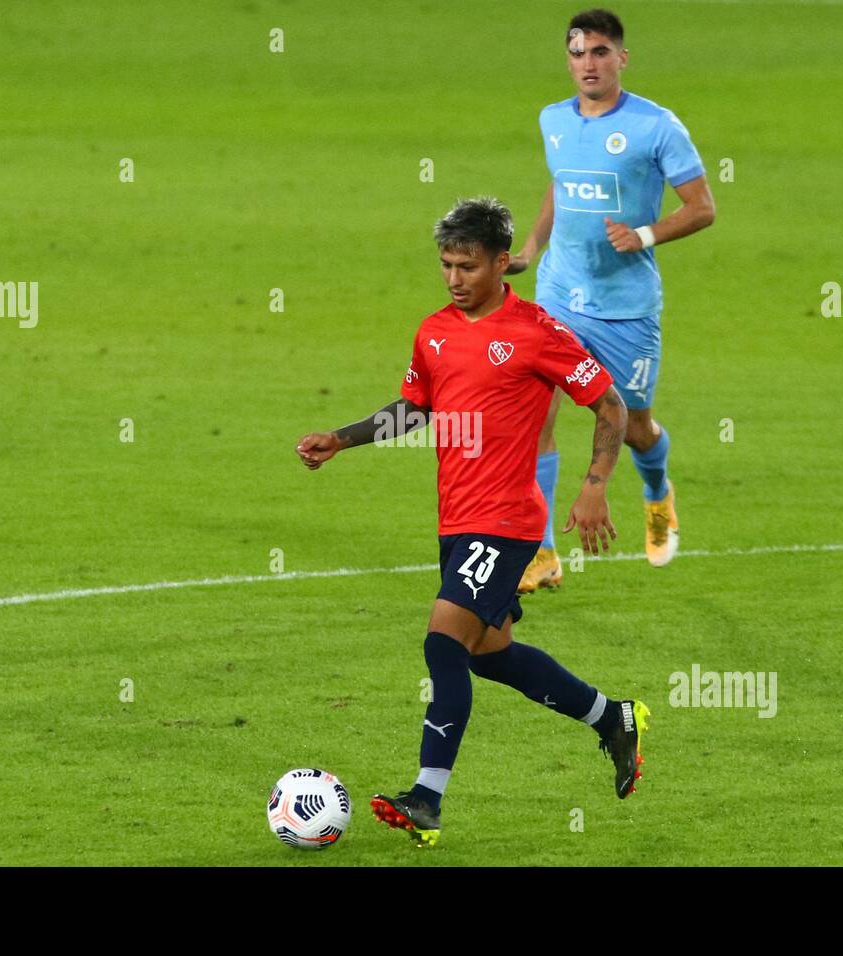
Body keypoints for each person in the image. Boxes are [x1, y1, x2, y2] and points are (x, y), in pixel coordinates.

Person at [296, 197, 649, 847]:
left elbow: (608, 403)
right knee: (490, 655)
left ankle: (427, 799)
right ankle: (611, 718)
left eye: (466, 266)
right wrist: (342, 439)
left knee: (443, 642)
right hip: (457, 518)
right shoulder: (432, 331)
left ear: (499, 262)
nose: (455, 278)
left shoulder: (535, 331)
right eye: (445, 265)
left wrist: (595, 486)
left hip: (507, 521)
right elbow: (415, 407)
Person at [508, 7, 716, 592]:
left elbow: (702, 207)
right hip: (558, 294)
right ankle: (544, 551)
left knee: (632, 425)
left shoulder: (656, 126)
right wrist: (530, 247)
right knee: (536, 413)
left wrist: (644, 235)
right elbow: (560, 183)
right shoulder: (553, 119)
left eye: (600, 52)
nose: (588, 64)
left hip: (624, 306)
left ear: (621, 58)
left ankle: (657, 490)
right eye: (577, 53)